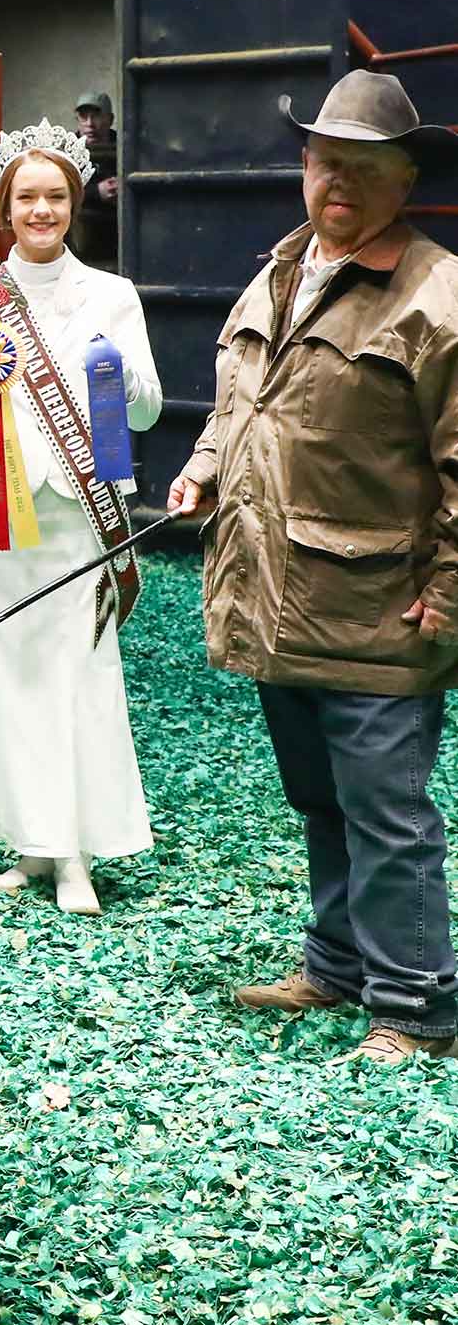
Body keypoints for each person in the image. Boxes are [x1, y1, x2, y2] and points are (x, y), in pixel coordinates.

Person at [168, 69, 458, 1064]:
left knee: (388, 810)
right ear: (303, 167)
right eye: (327, 161)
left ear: (405, 177)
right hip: (279, 601)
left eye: (366, 167)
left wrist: (450, 592)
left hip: (382, 606)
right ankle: (338, 966)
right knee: (324, 798)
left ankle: (417, 1004)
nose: (341, 182)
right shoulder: (279, 271)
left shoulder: (437, 294)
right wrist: (203, 470)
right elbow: (234, 405)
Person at [0, 120, 162, 914]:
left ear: (74, 204)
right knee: (11, 672)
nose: (41, 210)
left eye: (54, 196)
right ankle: (31, 846)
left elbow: (151, 411)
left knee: (78, 674)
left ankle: (73, 857)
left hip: (81, 520)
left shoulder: (113, 296)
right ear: (5, 205)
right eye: (26, 196)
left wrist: (120, 372)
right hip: (2, 517)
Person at [73, 92, 120, 269]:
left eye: (96, 116)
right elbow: (57, 192)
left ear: (110, 119)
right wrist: (96, 192)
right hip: (81, 246)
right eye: (84, 117)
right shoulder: (67, 150)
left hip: (118, 239)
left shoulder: (125, 146)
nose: (90, 124)